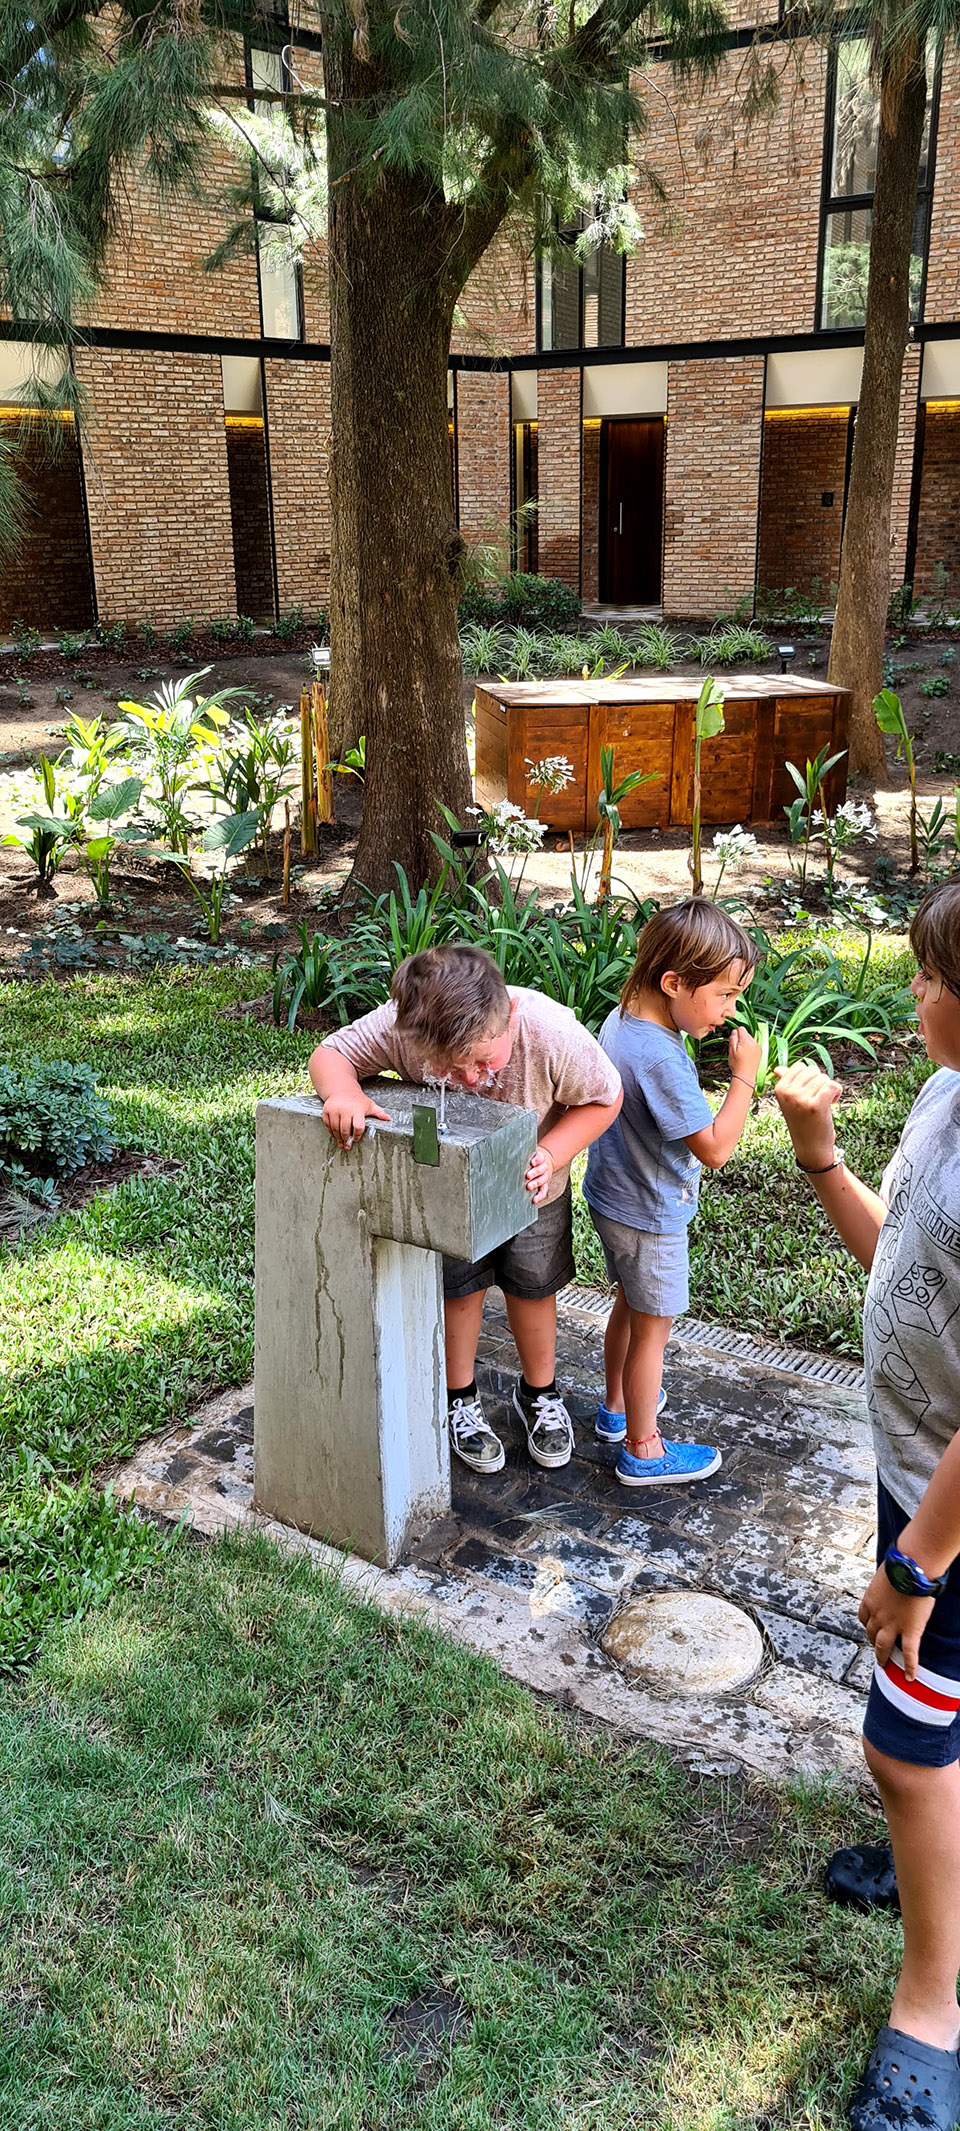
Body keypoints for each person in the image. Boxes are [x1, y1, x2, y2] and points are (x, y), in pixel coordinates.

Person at [775, 878, 960, 2131]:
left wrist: (915, 1564)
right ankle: (932, 1872)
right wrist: (819, 1157)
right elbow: (907, 1262)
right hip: (921, 1474)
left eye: (931, 976)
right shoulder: (951, 1094)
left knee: (903, 1745)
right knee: (934, 1726)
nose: (916, 993)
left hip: (949, 1519)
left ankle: (934, 2006)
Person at [308, 943, 623, 1476]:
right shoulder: (403, 1024)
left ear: (508, 1017)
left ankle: (540, 1392)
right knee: (459, 1287)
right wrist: (342, 1094)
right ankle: (461, 1399)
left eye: (482, 1060)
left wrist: (553, 1152)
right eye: (450, 1068)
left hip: (533, 1185)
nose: (471, 1078)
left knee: (534, 1286)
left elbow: (604, 1097)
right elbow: (332, 1054)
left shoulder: (548, 1029)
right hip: (448, 1187)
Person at [583, 898, 761, 1488]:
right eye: (725, 996)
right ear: (674, 983)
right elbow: (713, 1147)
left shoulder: (622, 1020)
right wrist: (743, 1079)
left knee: (629, 1308)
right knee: (652, 1331)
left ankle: (616, 1409)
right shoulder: (661, 1057)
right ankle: (643, 1448)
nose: (731, 1012)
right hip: (651, 1213)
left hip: (613, 1196)